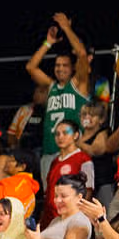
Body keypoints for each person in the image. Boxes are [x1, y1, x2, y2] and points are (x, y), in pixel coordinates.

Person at [25, 13, 91, 149]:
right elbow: (30, 67)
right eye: (57, 65)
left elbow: (82, 54)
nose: (60, 69)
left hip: (72, 150)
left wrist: (66, 28)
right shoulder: (51, 85)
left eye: (65, 65)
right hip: (49, 150)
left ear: (72, 68)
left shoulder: (78, 84)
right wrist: (48, 42)